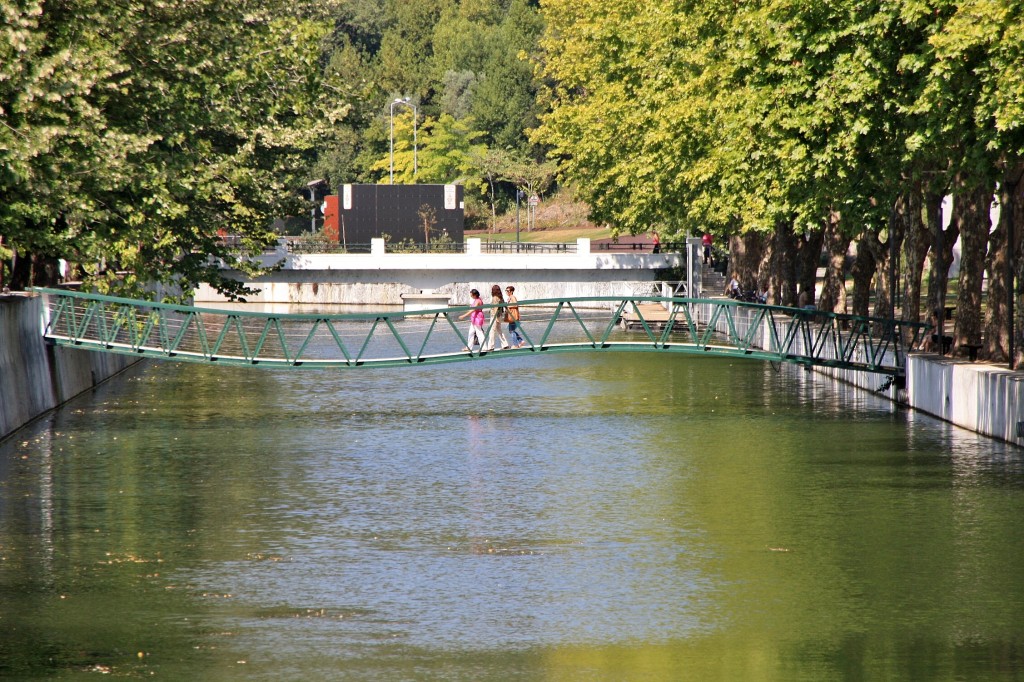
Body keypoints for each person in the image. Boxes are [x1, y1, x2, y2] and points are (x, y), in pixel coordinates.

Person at [485, 284, 510, 351]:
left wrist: (495, 318)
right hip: (499, 315)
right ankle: (505, 344)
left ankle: (491, 346)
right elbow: (503, 306)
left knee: (492, 331)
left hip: (494, 316)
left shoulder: (495, 298)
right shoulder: (500, 297)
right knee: (499, 330)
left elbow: (495, 308)